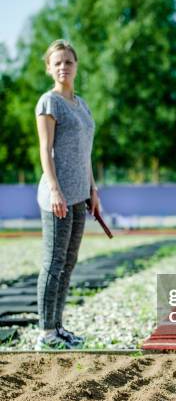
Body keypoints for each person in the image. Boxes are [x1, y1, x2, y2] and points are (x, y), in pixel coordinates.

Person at [35, 39, 100, 349]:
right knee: (53, 262)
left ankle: (58, 328)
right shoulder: (49, 102)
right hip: (57, 197)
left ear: (76, 66)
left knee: (69, 262)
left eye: (68, 62)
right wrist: (55, 190)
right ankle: (46, 333)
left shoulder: (82, 104)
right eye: (57, 62)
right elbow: (45, 151)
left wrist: (93, 189)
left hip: (78, 195)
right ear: (49, 68)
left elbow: (85, 152)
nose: (63, 66)